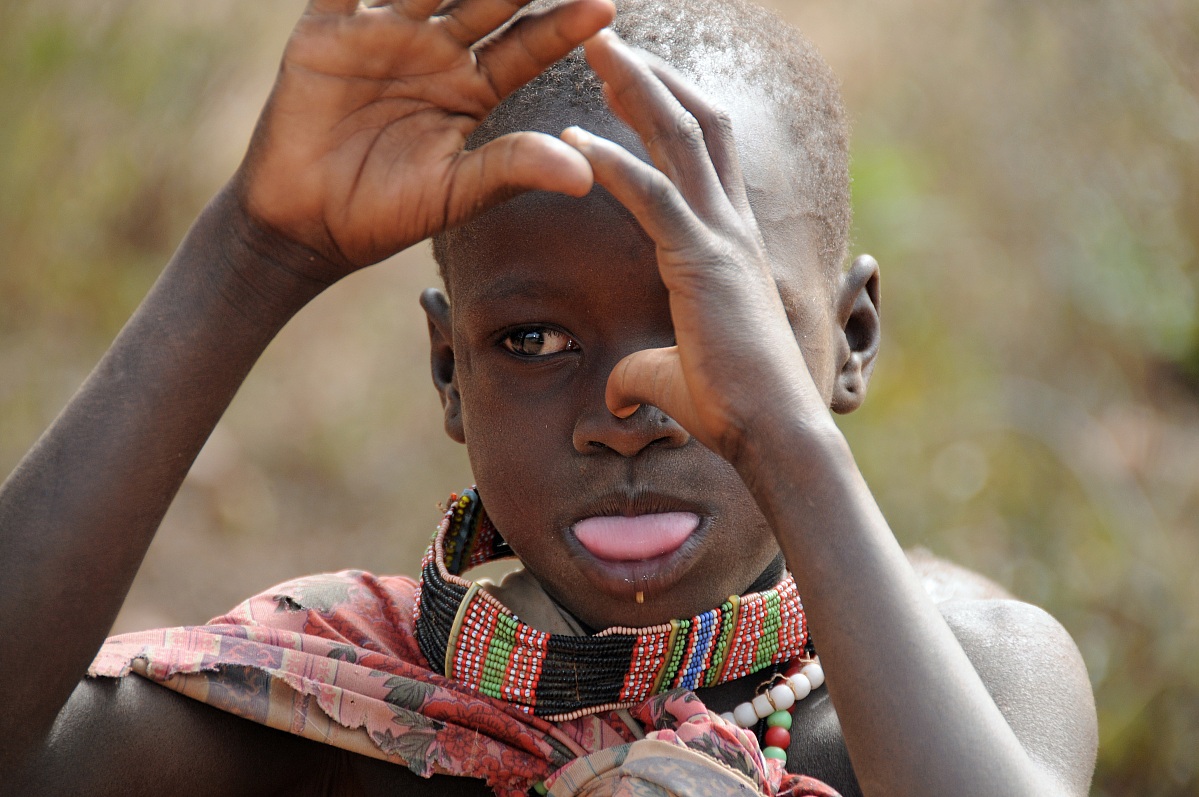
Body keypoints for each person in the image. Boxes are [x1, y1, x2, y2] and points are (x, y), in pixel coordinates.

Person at [0, 0, 1099, 794]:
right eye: (532, 338)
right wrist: (253, 253)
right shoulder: (344, 711)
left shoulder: (976, 672)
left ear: (847, 340)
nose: (623, 408)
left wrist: (784, 438)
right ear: (449, 371)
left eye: (718, 328)